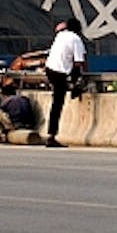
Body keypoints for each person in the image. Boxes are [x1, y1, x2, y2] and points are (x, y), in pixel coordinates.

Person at [43, 18, 86, 148]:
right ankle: (51, 135)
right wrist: (77, 79)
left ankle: (72, 86)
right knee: (58, 103)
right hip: (59, 72)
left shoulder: (60, 35)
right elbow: (79, 62)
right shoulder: (76, 39)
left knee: (57, 99)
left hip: (49, 69)